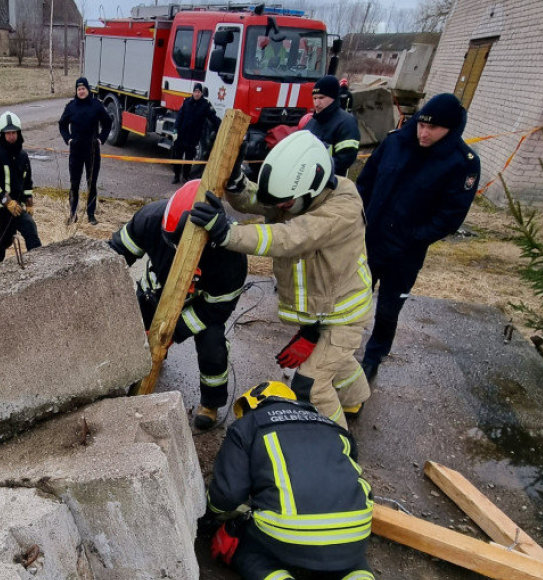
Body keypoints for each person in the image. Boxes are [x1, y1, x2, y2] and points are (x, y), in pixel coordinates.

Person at [190, 131, 371, 428]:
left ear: (313, 186)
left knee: (311, 384)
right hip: (322, 307)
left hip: (344, 313)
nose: (280, 209)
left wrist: (228, 234)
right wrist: (236, 183)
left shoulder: (343, 208)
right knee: (335, 359)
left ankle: (339, 449)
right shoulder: (300, 195)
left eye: (286, 204)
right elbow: (261, 200)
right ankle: (354, 399)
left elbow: (291, 236)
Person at [357, 93, 480, 382]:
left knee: (388, 308)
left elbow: (450, 216)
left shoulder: (462, 163)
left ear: (450, 129)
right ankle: (340, 347)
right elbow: (366, 183)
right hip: (370, 240)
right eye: (421, 125)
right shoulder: (395, 142)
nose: (424, 133)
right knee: (352, 297)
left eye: (433, 128)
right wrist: (360, 220)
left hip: (406, 252)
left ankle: (373, 356)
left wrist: (412, 237)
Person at [109, 179, 248, 430]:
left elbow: (217, 309)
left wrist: (173, 332)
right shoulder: (151, 219)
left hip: (199, 307)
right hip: (154, 295)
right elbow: (115, 256)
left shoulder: (231, 256)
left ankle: (211, 402)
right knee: (134, 337)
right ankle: (141, 370)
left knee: (212, 346)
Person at [203, 381, 375, 580]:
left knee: (249, 551)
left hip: (288, 533)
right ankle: (358, 574)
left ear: (254, 405)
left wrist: (212, 514)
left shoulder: (247, 426)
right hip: (355, 529)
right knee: (349, 560)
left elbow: (227, 495)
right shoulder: (333, 427)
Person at [0, 111, 41, 268]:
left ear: (19, 133)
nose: (11, 136)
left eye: (14, 132)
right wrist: (7, 201)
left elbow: (27, 182)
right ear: (2, 135)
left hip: (17, 205)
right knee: (28, 226)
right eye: (8, 133)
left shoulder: (22, 156)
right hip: (3, 206)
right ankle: (41, 265)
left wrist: (29, 202)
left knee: (6, 236)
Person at [58, 77, 112, 225]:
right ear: (76, 91)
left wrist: (101, 138)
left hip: (92, 152)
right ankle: (73, 213)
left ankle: (91, 215)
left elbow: (108, 123)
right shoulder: (71, 106)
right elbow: (62, 125)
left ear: (88, 89)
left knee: (91, 183)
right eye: (78, 89)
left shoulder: (96, 106)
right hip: (75, 151)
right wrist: (68, 139)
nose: (81, 91)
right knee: (74, 184)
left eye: (83, 89)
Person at [303, 75, 360, 177]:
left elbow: (345, 159)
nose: (316, 103)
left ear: (333, 98)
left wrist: (316, 170)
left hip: (331, 183)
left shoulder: (347, 123)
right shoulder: (312, 121)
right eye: (314, 98)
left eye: (321, 98)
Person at [172, 83, 221, 184]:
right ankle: (176, 176)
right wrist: (175, 129)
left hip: (193, 137)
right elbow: (179, 116)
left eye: (198, 92)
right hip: (182, 135)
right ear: (193, 92)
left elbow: (213, 118)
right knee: (177, 157)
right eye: (195, 91)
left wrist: (221, 126)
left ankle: (185, 176)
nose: (196, 94)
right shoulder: (186, 102)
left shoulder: (205, 105)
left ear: (201, 93)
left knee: (189, 158)